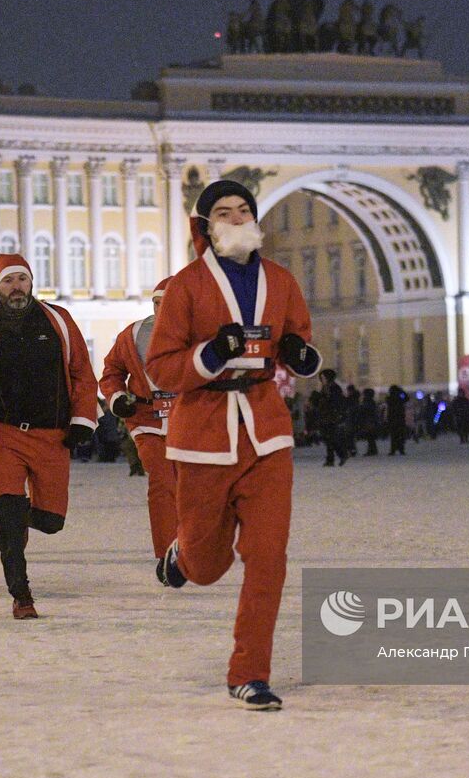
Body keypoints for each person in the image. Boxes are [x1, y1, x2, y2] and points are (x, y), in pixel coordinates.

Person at [147, 179, 322, 710]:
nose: (237, 218)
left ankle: (250, 672)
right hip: (203, 435)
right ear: (207, 228)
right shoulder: (186, 286)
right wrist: (209, 354)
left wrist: (299, 353)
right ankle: (185, 554)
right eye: (224, 212)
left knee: (268, 557)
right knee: (206, 565)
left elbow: (299, 342)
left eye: (243, 209)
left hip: (266, 431)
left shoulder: (281, 280)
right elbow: (160, 366)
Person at [0, 255, 98, 619]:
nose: (16, 287)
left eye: (21, 279)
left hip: (52, 435)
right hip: (5, 434)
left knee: (51, 521)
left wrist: (82, 418)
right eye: (8, 281)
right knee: (9, 511)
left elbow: (81, 373)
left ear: (31, 283)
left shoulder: (59, 320)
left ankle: (14, 519)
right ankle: (21, 593)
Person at [101, 277, 179, 567]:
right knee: (161, 482)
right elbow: (111, 372)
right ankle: (166, 554)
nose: (163, 310)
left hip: (186, 420)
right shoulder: (134, 334)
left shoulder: (198, 336)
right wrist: (118, 398)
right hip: (145, 418)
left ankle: (188, 543)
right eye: (158, 303)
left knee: (188, 486)